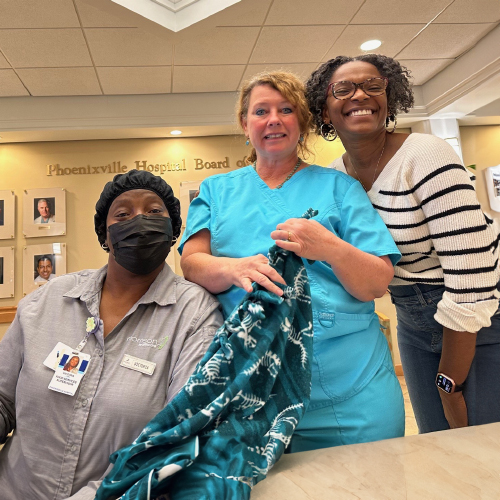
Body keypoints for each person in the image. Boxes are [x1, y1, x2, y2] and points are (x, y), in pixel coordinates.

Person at [180, 71, 405, 453]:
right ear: (244, 123)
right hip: (255, 392)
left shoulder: (340, 187)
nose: (273, 120)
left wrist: (329, 247)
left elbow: (376, 282)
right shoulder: (216, 191)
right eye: (261, 111)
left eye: (286, 110)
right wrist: (232, 268)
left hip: (353, 389)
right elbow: (191, 262)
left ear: (302, 123)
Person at [306, 54, 500, 434]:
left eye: (373, 86)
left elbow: (473, 283)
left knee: (481, 447)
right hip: (411, 318)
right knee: (438, 442)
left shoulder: (424, 154)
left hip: (477, 320)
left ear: (389, 99)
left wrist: (450, 383)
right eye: (343, 89)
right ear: (325, 112)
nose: (359, 95)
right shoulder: (335, 176)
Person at [0, 169, 223, 499]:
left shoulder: (194, 315)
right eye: (123, 214)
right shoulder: (49, 299)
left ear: (173, 230)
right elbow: (3, 401)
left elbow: (173, 436)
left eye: (154, 211)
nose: (140, 220)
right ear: (105, 234)